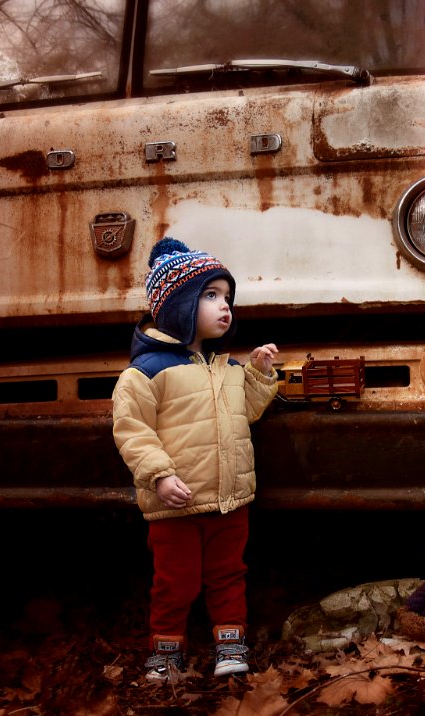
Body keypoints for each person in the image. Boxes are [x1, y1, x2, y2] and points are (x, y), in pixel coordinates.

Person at [112, 237, 278, 682]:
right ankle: (166, 651)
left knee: (229, 576)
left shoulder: (226, 367)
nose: (225, 306)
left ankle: (230, 645)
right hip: (176, 505)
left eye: (227, 297)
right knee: (174, 584)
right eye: (211, 296)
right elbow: (133, 431)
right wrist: (160, 476)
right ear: (180, 306)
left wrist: (259, 374)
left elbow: (247, 412)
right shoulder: (144, 373)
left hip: (229, 501)